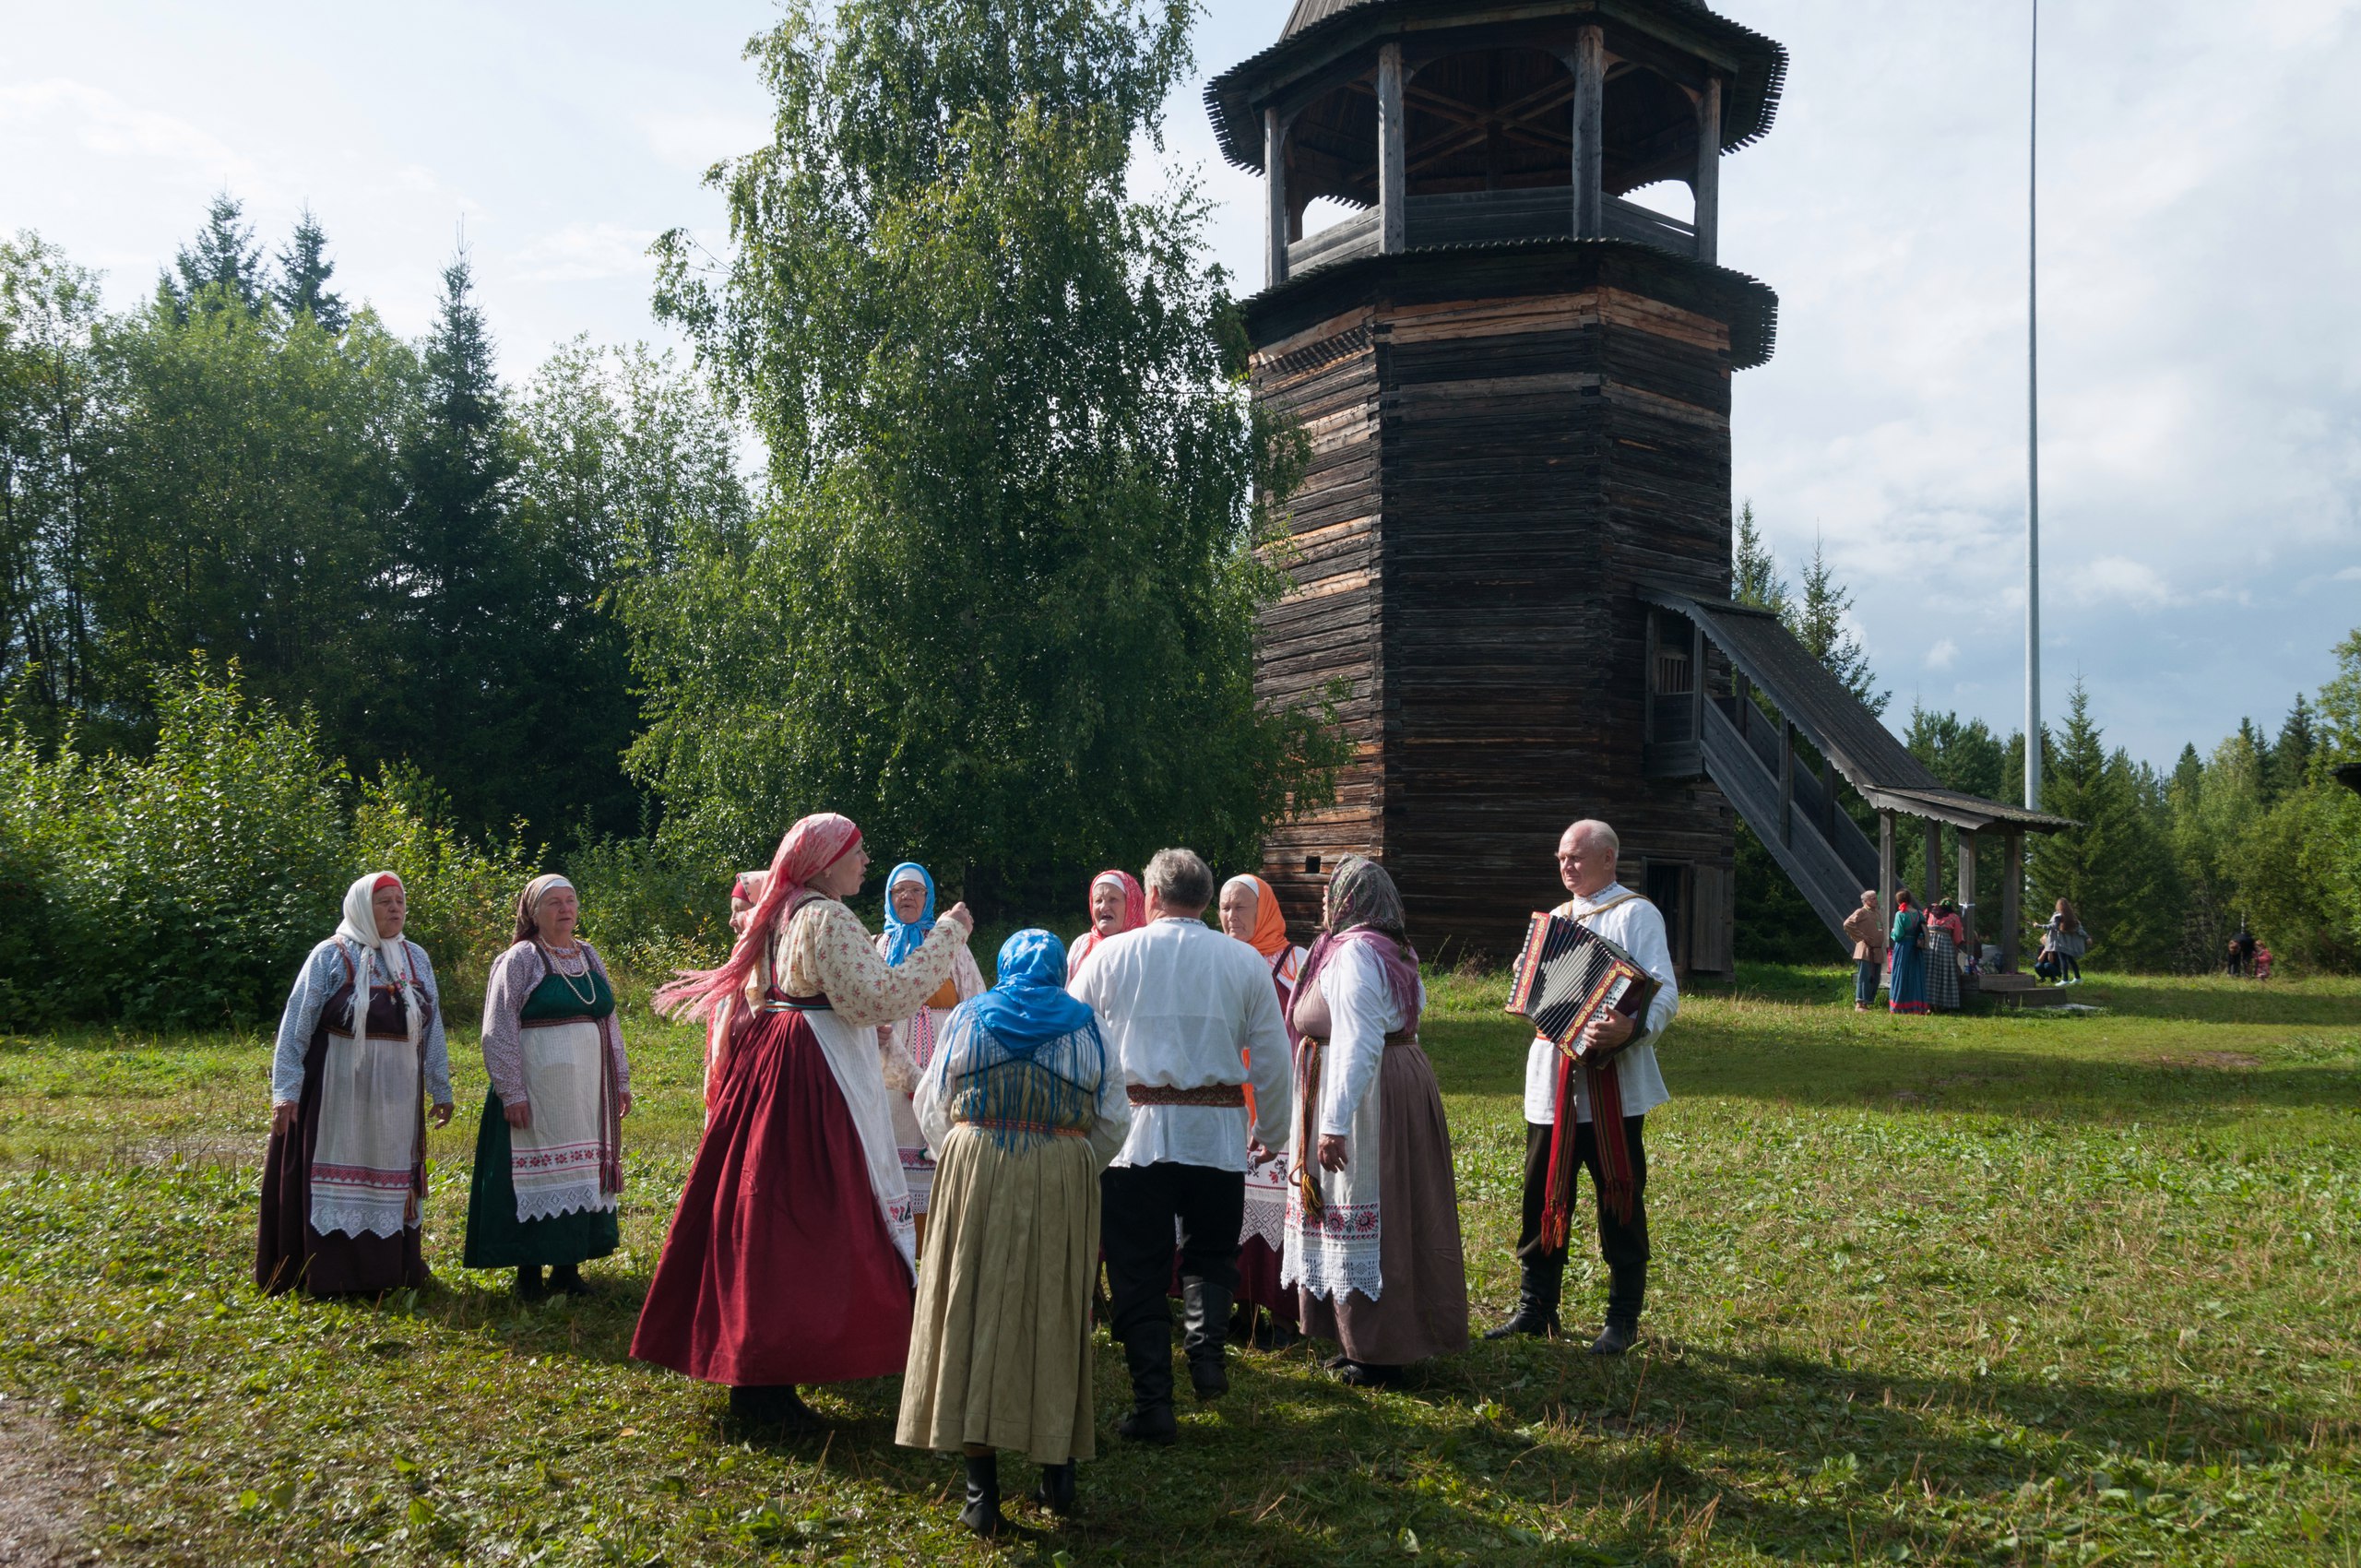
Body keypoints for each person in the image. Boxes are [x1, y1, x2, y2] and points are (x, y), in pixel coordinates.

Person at [631, 814, 977, 1430]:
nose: (865, 861)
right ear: (824, 859)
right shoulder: (824, 915)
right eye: (856, 850)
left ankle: (765, 1371)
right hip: (813, 1072)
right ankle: (775, 1372)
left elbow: (772, 996)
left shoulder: (783, 910)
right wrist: (948, 934)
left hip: (784, 1059)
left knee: (770, 1216)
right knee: (807, 1215)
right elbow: (884, 998)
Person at [896, 931, 1130, 1537]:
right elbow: (1113, 1118)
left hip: (976, 1164)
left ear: (1003, 969)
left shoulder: (972, 1015)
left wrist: (966, 1153)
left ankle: (981, 1493)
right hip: (1059, 1168)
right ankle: (1056, 1472)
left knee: (972, 1311)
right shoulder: (1086, 1024)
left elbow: (932, 1101)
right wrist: (1074, 1162)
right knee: (1050, 1311)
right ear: (1056, 971)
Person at [1067, 849, 1291, 1444]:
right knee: (1212, 1249)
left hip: (1132, 1136)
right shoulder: (1243, 962)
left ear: (1153, 896)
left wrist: (1077, 1118)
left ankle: (1153, 1403)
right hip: (1214, 1135)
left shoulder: (1110, 955)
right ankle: (1207, 1354)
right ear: (1203, 896)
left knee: (1136, 1267)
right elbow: (1272, 1054)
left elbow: (1074, 1037)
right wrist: (1271, 1132)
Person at [1486, 822, 1678, 1355]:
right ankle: (1536, 1307)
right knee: (1541, 1194)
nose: (1566, 866)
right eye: (1561, 858)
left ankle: (1622, 1318)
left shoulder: (1636, 913)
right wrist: (1527, 980)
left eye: (1576, 857)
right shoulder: (1555, 920)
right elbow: (1535, 999)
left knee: (1619, 1196)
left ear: (1609, 858)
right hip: (1552, 1084)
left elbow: (1664, 993)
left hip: (1614, 1084)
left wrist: (1629, 1029)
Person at [1282, 856, 1468, 1386]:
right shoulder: (1390, 946)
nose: (1324, 902)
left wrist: (1335, 1122)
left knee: (1369, 1205)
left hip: (1366, 1093)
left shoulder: (1359, 952)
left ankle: (1382, 1349)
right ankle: (1358, 1339)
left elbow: (1360, 1039)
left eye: (1332, 892)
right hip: (1393, 1081)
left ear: (1352, 900)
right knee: (1390, 1207)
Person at [256, 872, 454, 1297]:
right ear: (362, 907)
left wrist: (442, 1088)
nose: (396, 908)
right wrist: (286, 1093)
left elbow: (432, 1028)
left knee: (388, 1175)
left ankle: (388, 1273)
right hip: (336, 1098)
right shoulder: (329, 956)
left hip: (396, 1101)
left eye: (400, 900)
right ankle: (329, 1274)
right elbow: (296, 1027)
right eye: (384, 902)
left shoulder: (415, 958)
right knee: (339, 1173)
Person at [462, 874, 632, 1301]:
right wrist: (512, 1091)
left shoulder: (589, 955)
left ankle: (567, 1269)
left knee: (577, 1168)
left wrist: (620, 1080)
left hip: (585, 1091)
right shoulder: (521, 958)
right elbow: (497, 1027)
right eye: (553, 902)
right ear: (533, 913)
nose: (564, 909)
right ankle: (529, 1275)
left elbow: (608, 1021)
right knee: (535, 1172)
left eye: (570, 900)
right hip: (538, 1090)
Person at [1217, 873, 1307, 1346]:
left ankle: (1286, 1319)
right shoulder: (1220, 960)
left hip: (1281, 1105)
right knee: (1238, 1211)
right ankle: (1245, 1310)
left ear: (1264, 910)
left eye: (1241, 907)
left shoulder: (1296, 962)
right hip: (1232, 1105)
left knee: (1280, 1214)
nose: (1232, 917)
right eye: (1225, 908)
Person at [876, 861, 987, 1243]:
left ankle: (939, 1245)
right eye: (899, 891)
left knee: (938, 1143)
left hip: (944, 1061)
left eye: (915, 891)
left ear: (929, 899)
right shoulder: (878, 947)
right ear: (889, 899)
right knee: (892, 1149)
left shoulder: (951, 945)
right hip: (889, 1066)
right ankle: (896, 1252)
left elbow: (975, 1003)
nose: (906, 897)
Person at [704, 869, 768, 1120]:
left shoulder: (775, 964)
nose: (732, 920)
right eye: (732, 910)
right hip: (736, 1077)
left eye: (740, 910)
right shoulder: (739, 962)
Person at [1067, 870, 1145, 980]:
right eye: (1098, 900)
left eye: (1113, 900)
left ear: (1132, 905)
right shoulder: (1082, 944)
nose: (1103, 907)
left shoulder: (1143, 947)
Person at [1840, 890, 1884, 1012]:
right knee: (1865, 977)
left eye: (1876, 898)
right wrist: (1862, 937)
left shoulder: (1877, 913)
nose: (1876, 900)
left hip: (1876, 951)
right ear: (1865, 901)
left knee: (1874, 978)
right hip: (1865, 950)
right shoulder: (1861, 912)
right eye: (1872, 898)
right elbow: (1847, 924)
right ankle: (1859, 1004)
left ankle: (1866, 1003)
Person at [1887, 891, 1930, 1015]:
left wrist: (1892, 933)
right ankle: (1918, 1006)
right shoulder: (1920, 914)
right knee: (1916, 975)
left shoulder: (1900, 915)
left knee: (1901, 974)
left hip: (1903, 947)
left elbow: (1899, 934)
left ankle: (1899, 1005)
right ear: (1910, 899)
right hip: (1916, 947)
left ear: (1899, 901)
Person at [1925, 899, 1966, 1013]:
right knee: (1945, 974)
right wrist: (1958, 945)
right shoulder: (1954, 917)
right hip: (1945, 947)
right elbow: (1958, 937)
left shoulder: (1931, 913)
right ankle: (1943, 1004)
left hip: (1930, 945)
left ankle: (1927, 1004)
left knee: (1929, 974)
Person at [2045, 899, 2088, 985]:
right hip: (2069, 942)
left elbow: (2052, 926)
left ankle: (2065, 980)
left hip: (2060, 942)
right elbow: (2079, 929)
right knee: (2071, 960)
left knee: (2063, 960)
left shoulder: (2057, 915)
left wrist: (2039, 926)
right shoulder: (2072, 916)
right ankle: (2078, 978)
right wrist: (2087, 937)